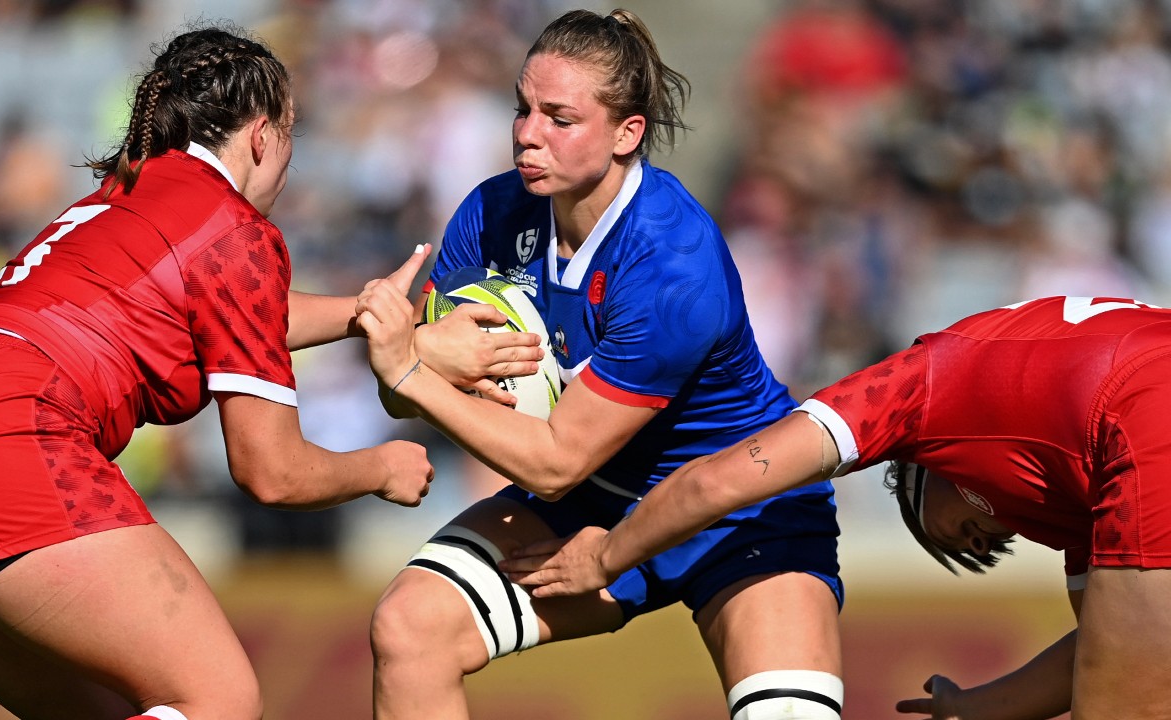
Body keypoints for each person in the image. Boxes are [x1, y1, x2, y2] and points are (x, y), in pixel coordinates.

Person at [0, 24, 528, 720]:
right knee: (216, 698)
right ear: (263, 136)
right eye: (292, 135)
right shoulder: (236, 229)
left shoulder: (129, 191)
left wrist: (381, 320)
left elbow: (236, 315)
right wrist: (380, 469)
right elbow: (271, 471)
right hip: (6, 426)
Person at [354, 8, 846, 719]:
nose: (528, 134)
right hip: (594, 492)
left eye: (559, 117)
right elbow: (409, 398)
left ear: (627, 133)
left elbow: (552, 458)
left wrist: (407, 369)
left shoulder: (673, 265)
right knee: (409, 627)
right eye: (522, 108)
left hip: (740, 502)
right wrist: (412, 362)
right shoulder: (493, 213)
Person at [501, 294, 1171, 719]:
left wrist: (607, 554)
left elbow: (719, 482)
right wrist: (974, 707)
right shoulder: (1073, 491)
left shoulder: (921, 388)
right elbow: (1111, 649)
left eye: (954, 531)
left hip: (1144, 414)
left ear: (922, 468)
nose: (981, 544)